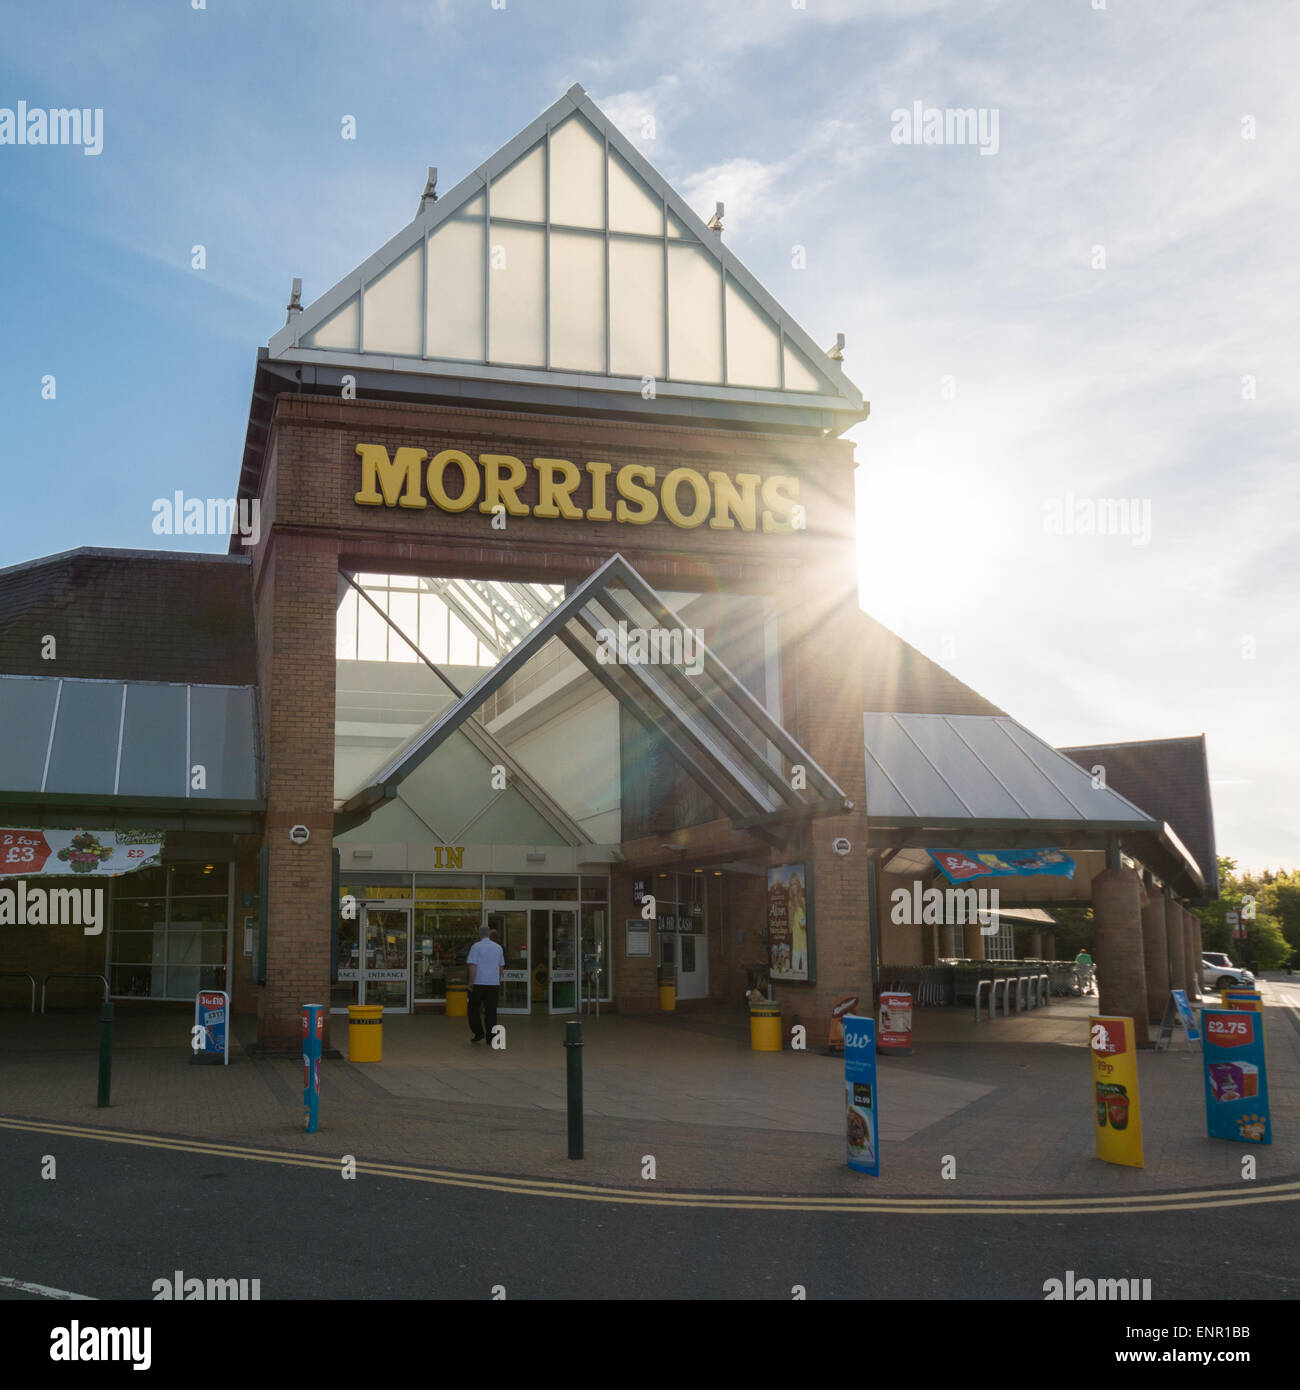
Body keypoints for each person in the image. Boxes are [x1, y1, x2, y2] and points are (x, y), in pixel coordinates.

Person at [466, 924, 505, 1045]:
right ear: (489, 934)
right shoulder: (498, 948)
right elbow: (501, 966)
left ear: (479, 934)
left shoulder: (476, 947)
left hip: (478, 982)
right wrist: (497, 979)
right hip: (493, 984)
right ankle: (491, 1037)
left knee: (473, 1009)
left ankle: (478, 1033)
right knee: (491, 1011)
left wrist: (470, 983)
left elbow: (472, 965)